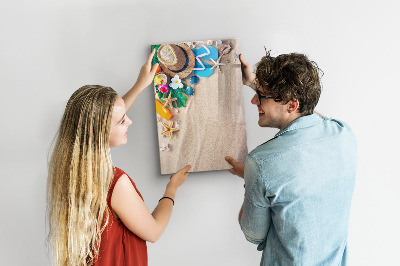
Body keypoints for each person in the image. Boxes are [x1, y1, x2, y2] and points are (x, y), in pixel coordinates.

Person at [46, 50, 191, 266]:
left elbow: (105, 118)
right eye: (122, 121)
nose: (130, 122)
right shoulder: (114, 183)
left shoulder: (68, 171)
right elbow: (153, 231)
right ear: (100, 132)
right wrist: (172, 189)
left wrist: (140, 84)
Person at [226, 52, 357, 265]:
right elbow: (311, 114)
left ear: (292, 105)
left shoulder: (260, 163)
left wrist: (252, 178)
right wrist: (253, 83)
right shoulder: (344, 134)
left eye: (261, 96)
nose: (253, 100)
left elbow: (253, 234)